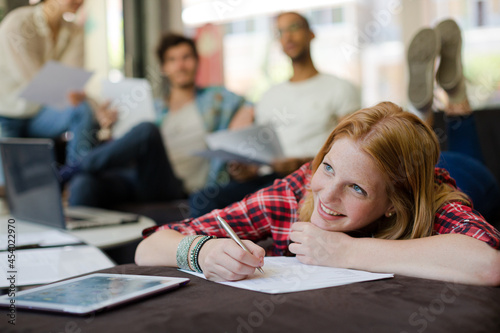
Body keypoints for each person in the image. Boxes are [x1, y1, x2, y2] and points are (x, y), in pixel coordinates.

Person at [135, 101, 500, 286]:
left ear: (392, 203)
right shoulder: (295, 191)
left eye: (356, 188)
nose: (326, 196)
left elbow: (488, 264)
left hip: (466, 177)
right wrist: (202, 250)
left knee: (469, 161)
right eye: (327, 167)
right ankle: (422, 118)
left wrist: (347, 250)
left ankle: (454, 106)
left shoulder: (433, 201)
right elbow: (147, 248)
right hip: (405, 167)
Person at [189, 11, 360, 217]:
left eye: (294, 28)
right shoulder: (269, 96)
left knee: (268, 199)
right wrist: (247, 169)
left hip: (309, 175)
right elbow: (262, 151)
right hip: (269, 178)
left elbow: (353, 148)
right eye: (281, 32)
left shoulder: (339, 88)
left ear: (311, 34)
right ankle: (213, 249)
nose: (288, 36)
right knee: (202, 199)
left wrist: (300, 162)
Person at [68, 33, 252, 207]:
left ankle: (73, 167)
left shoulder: (216, 99)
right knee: (84, 183)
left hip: (173, 187)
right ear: (164, 68)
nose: (180, 65)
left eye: (186, 57)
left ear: (196, 61)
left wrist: (242, 120)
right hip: (139, 176)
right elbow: (127, 146)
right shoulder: (154, 107)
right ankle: (75, 178)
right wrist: (108, 126)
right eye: (172, 60)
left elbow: (250, 104)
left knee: (148, 130)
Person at [407, 18, 500, 221]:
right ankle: (425, 110)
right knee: (415, 171)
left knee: (423, 178)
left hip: (440, 186)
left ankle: (432, 105)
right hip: (436, 182)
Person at [0, 0, 103, 166]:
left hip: (39, 115)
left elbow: (70, 86)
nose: (80, 1)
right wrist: (74, 95)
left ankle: (76, 179)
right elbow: (39, 85)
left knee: (82, 110)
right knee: (9, 185)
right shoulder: (17, 25)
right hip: (6, 117)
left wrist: (94, 106)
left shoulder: (74, 31)